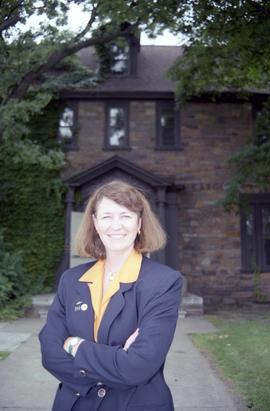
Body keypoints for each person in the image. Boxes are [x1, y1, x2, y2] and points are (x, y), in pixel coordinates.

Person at [39, 179, 183, 411]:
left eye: (125, 216)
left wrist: (75, 346)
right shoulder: (71, 280)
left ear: (139, 224)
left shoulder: (163, 282)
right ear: (95, 223)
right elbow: (50, 353)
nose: (116, 225)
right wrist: (116, 360)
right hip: (76, 404)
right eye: (107, 217)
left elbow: (138, 365)